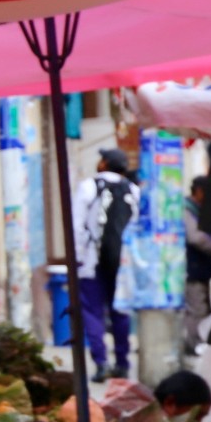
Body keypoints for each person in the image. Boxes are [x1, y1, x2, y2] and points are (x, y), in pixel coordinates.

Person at [73, 148, 139, 381]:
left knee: (92, 312)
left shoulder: (89, 187)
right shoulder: (133, 190)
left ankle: (101, 362)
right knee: (120, 311)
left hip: (92, 261)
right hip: (123, 263)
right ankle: (122, 363)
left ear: (104, 164)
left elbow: (77, 225)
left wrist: (78, 258)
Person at [183, 176, 211, 354]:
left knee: (202, 307)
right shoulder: (187, 210)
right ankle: (196, 345)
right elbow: (197, 238)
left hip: (200, 268)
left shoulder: (196, 210)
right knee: (197, 309)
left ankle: (198, 343)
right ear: (199, 191)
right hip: (192, 268)